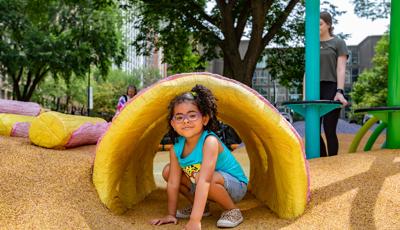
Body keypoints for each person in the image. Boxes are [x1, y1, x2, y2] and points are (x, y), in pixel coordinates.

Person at [150, 84, 248, 229]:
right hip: (204, 182)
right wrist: (170, 214)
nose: (186, 121)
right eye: (179, 117)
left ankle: (232, 210)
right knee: (168, 171)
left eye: (192, 115)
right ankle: (203, 208)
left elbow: (205, 180)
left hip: (235, 186)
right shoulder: (176, 149)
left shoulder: (209, 141)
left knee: (205, 177)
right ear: (173, 123)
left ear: (204, 119)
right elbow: (172, 183)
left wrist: (195, 220)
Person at [319, 11, 349, 157]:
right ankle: (323, 160)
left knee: (329, 129)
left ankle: (333, 163)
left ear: (328, 25)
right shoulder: (312, 44)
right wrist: (305, 94)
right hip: (314, 89)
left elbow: (341, 68)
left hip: (331, 88)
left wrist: (340, 91)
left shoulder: (338, 43)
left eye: (320, 24)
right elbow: (307, 71)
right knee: (313, 130)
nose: (317, 27)